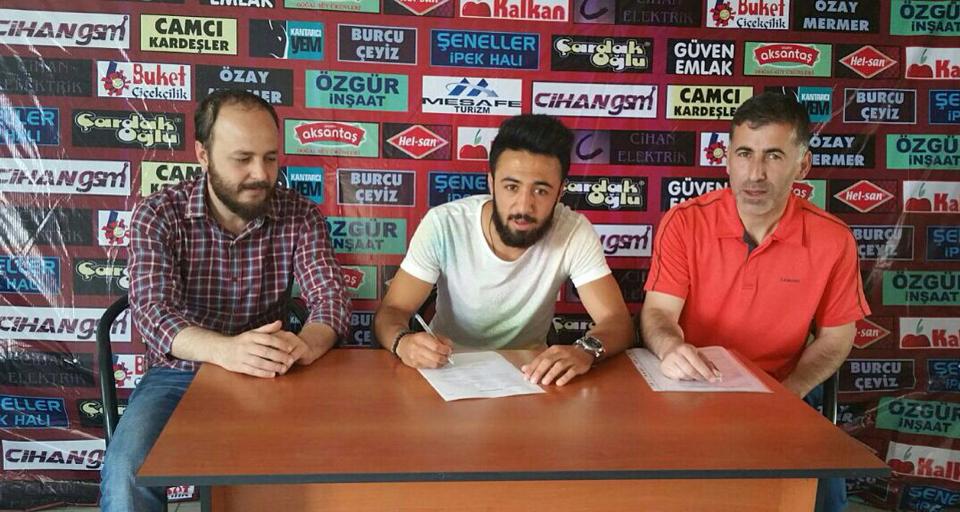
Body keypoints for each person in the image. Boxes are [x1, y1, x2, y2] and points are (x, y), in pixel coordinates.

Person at [100, 90, 351, 512]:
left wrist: (306, 343)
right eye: (242, 159)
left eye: (270, 158)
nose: (260, 174)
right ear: (203, 154)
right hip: (179, 376)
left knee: (339, 459)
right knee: (127, 473)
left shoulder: (301, 214)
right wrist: (227, 350)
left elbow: (331, 300)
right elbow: (153, 314)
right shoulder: (159, 214)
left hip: (275, 373)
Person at [640, 92, 870, 512]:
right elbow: (658, 313)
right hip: (691, 387)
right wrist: (671, 348)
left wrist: (789, 393)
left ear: (803, 165)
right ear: (727, 158)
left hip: (784, 389)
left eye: (774, 156)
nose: (755, 173)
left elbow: (837, 337)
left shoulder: (833, 239)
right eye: (745, 153)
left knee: (824, 498)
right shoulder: (684, 222)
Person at [374, 114, 634, 386]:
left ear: (560, 193)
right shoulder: (444, 224)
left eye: (541, 191)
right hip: (447, 369)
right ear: (491, 183)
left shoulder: (573, 230)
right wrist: (403, 342)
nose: (523, 206)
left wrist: (585, 350)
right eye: (511, 187)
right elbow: (393, 310)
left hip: (532, 375)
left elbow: (617, 321)